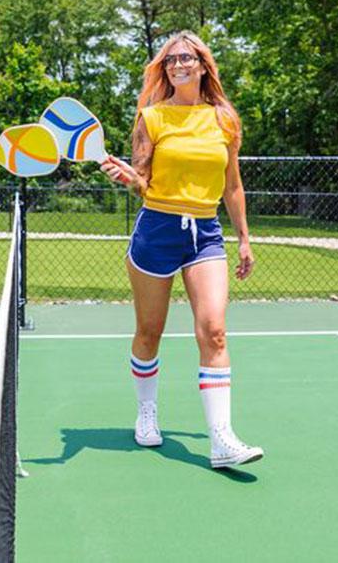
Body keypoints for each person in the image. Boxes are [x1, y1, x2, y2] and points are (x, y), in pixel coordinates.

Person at [100, 31, 263, 469]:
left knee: (213, 331)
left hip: (206, 233)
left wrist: (244, 237)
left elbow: (232, 185)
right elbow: (142, 181)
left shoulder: (225, 119)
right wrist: (127, 178)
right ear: (163, 68)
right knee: (149, 331)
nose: (178, 64)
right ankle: (146, 412)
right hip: (156, 229)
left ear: (203, 65)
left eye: (187, 57)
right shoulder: (150, 118)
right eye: (170, 60)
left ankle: (221, 440)